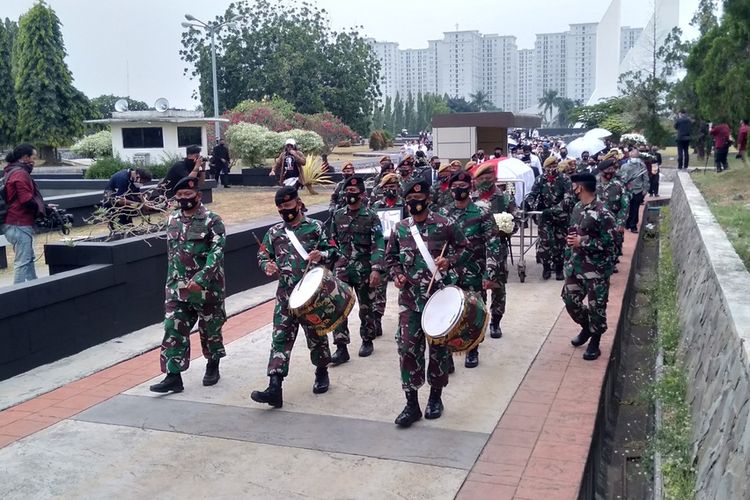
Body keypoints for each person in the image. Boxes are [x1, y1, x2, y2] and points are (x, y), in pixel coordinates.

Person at [385, 178, 471, 427]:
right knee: (408, 349)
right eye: (410, 201)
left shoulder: (445, 224)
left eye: (418, 201)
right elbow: (391, 258)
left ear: (428, 200)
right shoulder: (401, 228)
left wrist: (450, 261)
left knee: (438, 351)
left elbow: (464, 248)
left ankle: (436, 397)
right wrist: (398, 275)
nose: (414, 205)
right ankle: (411, 404)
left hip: (439, 299)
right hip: (410, 301)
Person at [251, 186, 333, 408]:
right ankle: (274, 386)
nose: (284, 211)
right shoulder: (274, 232)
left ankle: (322, 370)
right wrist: (266, 265)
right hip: (285, 295)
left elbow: (334, 251)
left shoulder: (316, 227)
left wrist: (322, 254)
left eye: (288, 206)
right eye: (280, 208)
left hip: (311, 295)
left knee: (316, 336)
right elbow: (263, 253)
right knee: (280, 338)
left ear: (298, 203)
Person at [149, 176, 227, 393]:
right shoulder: (172, 219)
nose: (183, 199)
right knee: (172, 327)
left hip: (206, 289)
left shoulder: (213, 221)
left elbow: (216, 254)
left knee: (209, 329)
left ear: (198, 196)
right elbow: (173, 255)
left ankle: (213, 364)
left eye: (188, 195)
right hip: (177, 288)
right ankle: (173, 376)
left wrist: (200, 280)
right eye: (180, 195)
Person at [439, 171, 505, 368]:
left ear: (471, 188)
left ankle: (472, 350)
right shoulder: (443, 214)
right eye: (455, 186)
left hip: (474, 271)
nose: (459, 190)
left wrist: (490, 273)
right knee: (449, 313)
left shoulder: (482, 213)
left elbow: (493, 244)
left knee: (473, 312)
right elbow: (435, 243)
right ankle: (448, 353)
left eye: (463, 186)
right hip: (449, 272)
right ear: (450, 190)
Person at [330, 177, 385, 361]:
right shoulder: (338, 215)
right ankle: (341, 347)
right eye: (347, 191)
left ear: (362, 194)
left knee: (366, 307)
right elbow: (331, 240)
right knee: (338, 307)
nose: (350, 195)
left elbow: (378, 244)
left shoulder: (371, 216)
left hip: (364, 270)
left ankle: (367, 339)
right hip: (342, 270)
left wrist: (376, 269)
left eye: (354, 192)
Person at [563, 172, 617, 361]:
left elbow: (611, 244)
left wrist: (583, 242)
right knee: (570, 301)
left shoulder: (604, 212)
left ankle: (595, 340)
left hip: (596, 270)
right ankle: (586, 327)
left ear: (581, 187)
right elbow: (574, 232)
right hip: (575, 266)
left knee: (597, 307)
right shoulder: (578, 207)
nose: (572, 189)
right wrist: (570, 245)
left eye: (574, 186)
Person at [472, 163, 514, 338]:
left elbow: (516, 219)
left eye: (488, 179)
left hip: (497, 250)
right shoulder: (471, 199)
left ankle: (496, 322)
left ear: (494, 179)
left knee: (498, 287)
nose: (485, 182)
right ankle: (478, 323)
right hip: (475, 252)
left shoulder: (503, 198)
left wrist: (504, 227)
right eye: (481, 179)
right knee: (476, 290)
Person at [1, 144, 45, 284]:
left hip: (14, 223)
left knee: (28, 258)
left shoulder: (11, 171)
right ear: (25, 158)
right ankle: (17, 295)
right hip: (18, 223)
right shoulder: (20, 173)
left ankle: (33, 286)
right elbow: (25, 200)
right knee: (22, 261)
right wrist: (43, 208)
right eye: (33, 157)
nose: (34, 161)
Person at [527, 155, 573, 281]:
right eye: (549, 167)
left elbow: (568, 198)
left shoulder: (564, 179)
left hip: (561, 216)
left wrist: (552, 210)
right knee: (545, 242)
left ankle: (559, 268)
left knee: (560, 242)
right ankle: (546, 267)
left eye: (554, 166)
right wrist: (530, 204)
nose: (552, 169)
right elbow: (533, 195)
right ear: (544, 168)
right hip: (545, 217)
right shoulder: (540, 179)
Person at [595, 160, 629, 272]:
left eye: (612, 169)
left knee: (614, 242)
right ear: (601, 171)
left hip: (613, 220)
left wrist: (621, 222)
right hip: (596, 220)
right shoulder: (594, 184)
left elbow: (625, 205)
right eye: (607, 170)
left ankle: (612, 261)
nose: (610, 172)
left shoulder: (618, 185)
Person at [619, 149, 649, 233]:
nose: (634, 158)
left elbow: (646, 178)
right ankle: (627, 223)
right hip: (627, 191)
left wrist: (645, 189)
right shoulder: (624, 166)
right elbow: (621, 178)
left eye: (636, 156)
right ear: (629, 155)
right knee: (627, 208)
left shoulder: (642, 166)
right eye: (633, 156)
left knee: (635, 208)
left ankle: (633, 226)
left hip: (638, 190)